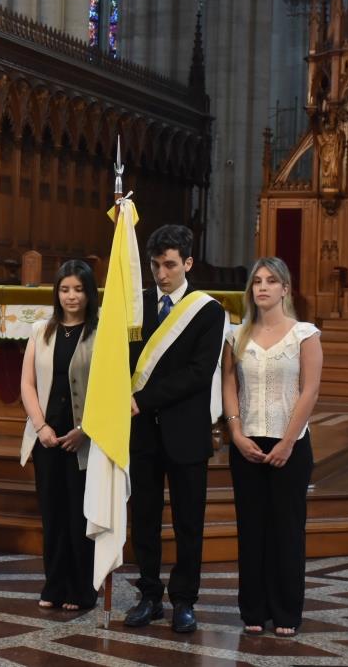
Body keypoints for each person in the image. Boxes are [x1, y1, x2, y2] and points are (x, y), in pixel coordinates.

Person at [125, 224, 225, 633]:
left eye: (169, 265)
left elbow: (199, 374)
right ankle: (149, 595)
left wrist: (142, 399)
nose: (161, 274)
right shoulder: (136, 305)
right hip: (142, 433)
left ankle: (184, 599)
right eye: (154, 265)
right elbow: (125, 362)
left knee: (188, 522)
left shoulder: (209, 311)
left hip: (185, 432)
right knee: (144, 518)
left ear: (187, 263)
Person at [221, 257, 322, 637]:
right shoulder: (238, 335)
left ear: (285, 289)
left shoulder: (305, 334)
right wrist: (236, 433)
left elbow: (309, 390)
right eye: (257, 281)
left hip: (290, 444)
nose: (262, 287)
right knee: (251, 528)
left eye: (271, 281)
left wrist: (287, 441)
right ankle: (253, 608)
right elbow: (229, 384)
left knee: (287, 529)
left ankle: (285, 611)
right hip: (246, 442)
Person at [19, 260, 99, 610]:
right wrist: (41, 427)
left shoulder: (101, 332)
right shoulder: (41, 330)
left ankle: (82, 588)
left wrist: (85, 430)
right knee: (52, 514)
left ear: (88, 293)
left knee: (80, 516)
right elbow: (27, 384)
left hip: (84, 440)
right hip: (47, 437)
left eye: (78, 289)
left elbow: (108, 389)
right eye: (65, 289)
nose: (71, 296)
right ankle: (54, 584)